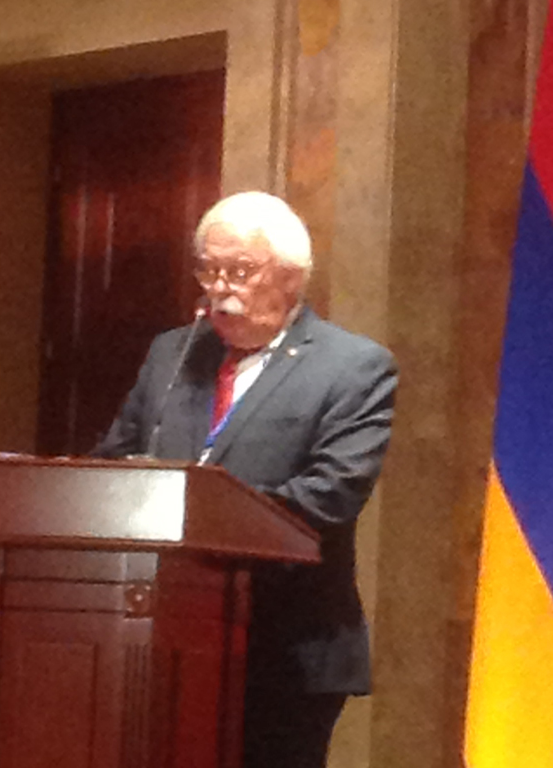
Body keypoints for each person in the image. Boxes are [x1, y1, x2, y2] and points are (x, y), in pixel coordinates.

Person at [92, 191, 397, 768]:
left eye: (239, 271)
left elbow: (330, 494)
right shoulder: (172, 354)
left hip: (285, 644)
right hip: (158, 632)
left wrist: (202, 513)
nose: (219, 288)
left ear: (291, 277)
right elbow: (115, 459)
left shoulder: (353, 367)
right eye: (208, 270)